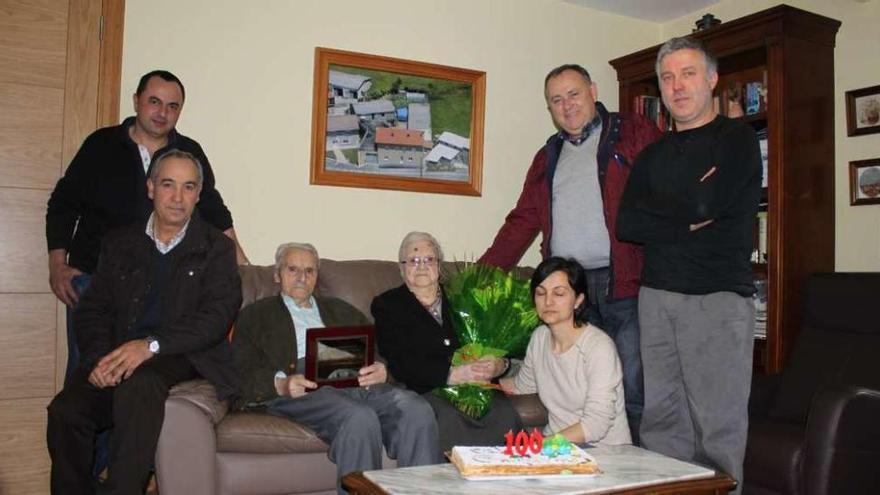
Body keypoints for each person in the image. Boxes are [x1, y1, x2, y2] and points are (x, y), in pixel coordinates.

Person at [479, 64, 661, 443]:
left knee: (635, 390)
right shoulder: (548, 156)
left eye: (574, 94)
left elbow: (668, 190)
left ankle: (643, 476)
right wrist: (482, 275)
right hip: (569, 292)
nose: (567, 105)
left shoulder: (633, 133)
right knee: (581, 395)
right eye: (556, 100)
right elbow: (522, 221)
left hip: (624, 284)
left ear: (593, 91)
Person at [46, 150, 242, 495]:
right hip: (120, 351)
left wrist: (150, 347)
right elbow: (93, 310)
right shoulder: (119, 242)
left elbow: (215, 318)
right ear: (150, 188)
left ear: (199, 194)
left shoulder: (217, 249)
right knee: (67, 411)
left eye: (188, 187)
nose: (178, 198)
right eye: (168, 185)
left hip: (184, 354)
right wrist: (98, 359)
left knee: (141, 385)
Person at [616, 37, 761, 493]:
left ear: (712, 79)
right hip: (657, 297)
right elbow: (627, 222)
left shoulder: (737, 138)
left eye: (688, 73)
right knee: (661, 424)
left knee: (716, 427)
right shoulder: (653, 154)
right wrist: (686, 221)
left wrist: (667, 213)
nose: (677, 86)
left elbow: (708, 200)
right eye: (667, 77)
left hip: (716, 299)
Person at [46, 69, 249, 383]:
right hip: (95, 281)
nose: (162, 112)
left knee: (140, 378)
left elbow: (214, 211)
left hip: (157, 287)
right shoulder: (100, 145)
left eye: (172, 106)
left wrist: (244, 267)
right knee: (91, 373)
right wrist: (57, 265)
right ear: (136, 101)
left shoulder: (189, 152)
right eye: (154, 102)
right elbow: (63, 204)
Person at [232, 242, 439, 493]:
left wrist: (382, 368)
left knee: (417, 409)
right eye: (293, 269)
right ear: (277, 274)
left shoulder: (341, 309)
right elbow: (238, 367)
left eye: (309, 271)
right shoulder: (255, 315)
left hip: (353, 377)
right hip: (301, 383)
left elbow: (379, 349)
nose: (302, 278)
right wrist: (281, 384)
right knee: (359, 418)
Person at [372, 232, 521, 455]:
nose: (421, 266)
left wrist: (499, 365)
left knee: (502, 412)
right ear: (401, 268)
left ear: (439, 265)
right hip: (429, 388)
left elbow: (494, 341)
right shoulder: (388, 305)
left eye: (429, 259)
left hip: (477, 387)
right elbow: (398, 360)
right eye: (413, 260)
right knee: (448, 417)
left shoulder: (463, 297)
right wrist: (452, 375)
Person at [500, 257, 630, 446]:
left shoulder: (598, 347)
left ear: (578, 300)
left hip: (600, 451)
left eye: (559, 294)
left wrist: (541, 445)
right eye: (540, 293)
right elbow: (523, 386)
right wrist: (487, 375)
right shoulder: (540, 337)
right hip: (556, 449)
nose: (548, 301)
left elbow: (596, 424)